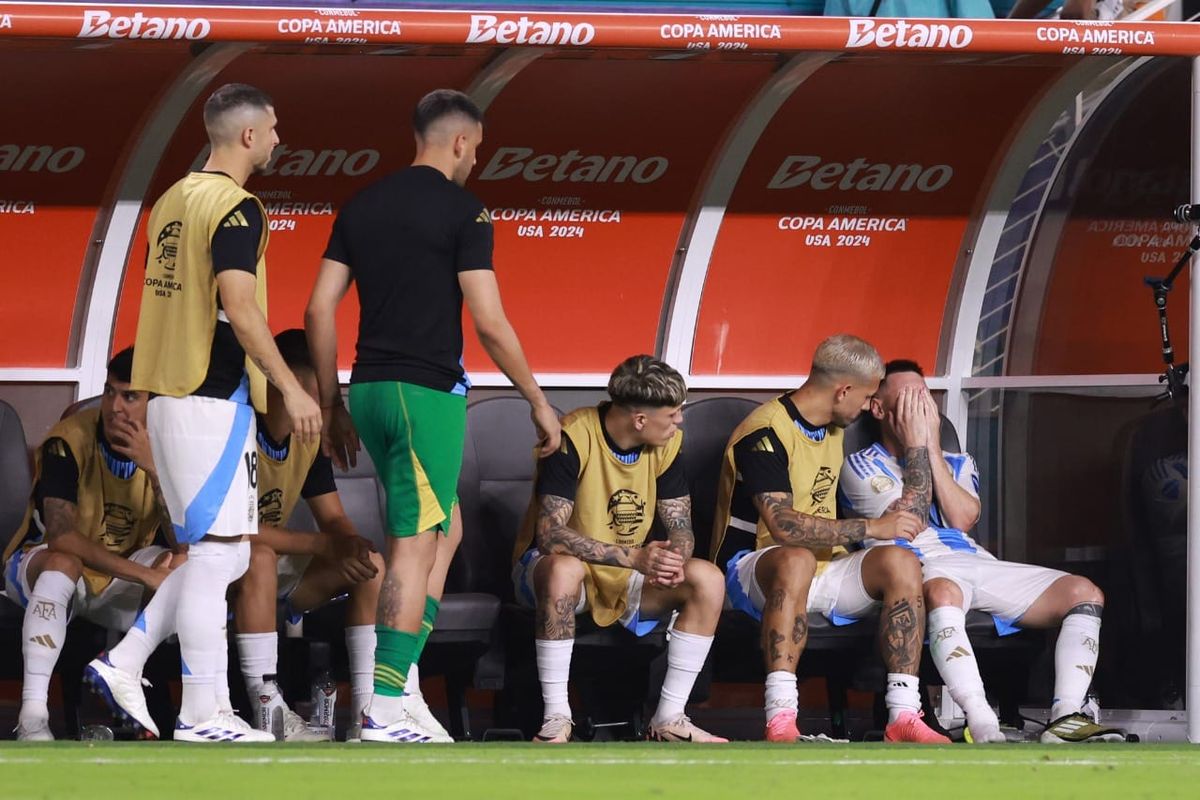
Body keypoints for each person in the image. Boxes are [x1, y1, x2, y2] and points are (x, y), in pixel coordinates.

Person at [306, 88, 560, 743]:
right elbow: (489, 321)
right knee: (414, 544)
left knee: (445, 530)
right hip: (424, 396)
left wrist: (332, 403)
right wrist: (537, 400)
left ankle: (404, 685)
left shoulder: (363, 203)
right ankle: (383, 706)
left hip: (369, 390)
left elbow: (318, 309)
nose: (476, 160)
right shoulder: (465, 210)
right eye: (477, 149)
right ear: (461, 141)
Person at [85, 83, 321, 743]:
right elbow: (239, 308)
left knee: (228, 558)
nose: (278, 139)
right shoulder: (237, 207)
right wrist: (292, 388)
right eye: (273, 128)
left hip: (178, 395)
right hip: (206, 398)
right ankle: (197, 710)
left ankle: (151, 672)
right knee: (215, 558)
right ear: (247, 136)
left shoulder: (172, 198)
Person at [839, 359, 1123, 744]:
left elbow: (962, 518)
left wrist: (930, 448)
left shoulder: (958, 461)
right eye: (908, 397)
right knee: (943, 592)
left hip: (974, 561)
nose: (920, 407)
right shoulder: (860, 465)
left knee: (1084, 592)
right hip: (913, 566)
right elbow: (911, 519)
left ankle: (1067, 715)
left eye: (925, 398)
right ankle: (980, 717)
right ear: (878, 408)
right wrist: (916, 444)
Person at [713, 334, 947, 744]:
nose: (867, 408)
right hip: (755, 568)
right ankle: (781, 717)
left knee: (902, 561)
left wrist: (918, 444)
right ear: (843, 391)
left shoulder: (834, 427)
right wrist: (872, 527)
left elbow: (913, 511)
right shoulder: (764, 431)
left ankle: (903, 715)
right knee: (796, 558)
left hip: (826, 563)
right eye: (866, 397)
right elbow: (783, 527)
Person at [511, 356, 726, 744]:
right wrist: (635, 558)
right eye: (672, 414)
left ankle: (670, 718)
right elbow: (550, 536)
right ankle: (556, 717)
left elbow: (680, 524)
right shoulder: (573, 435)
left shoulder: (666, 444)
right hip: (556, 575)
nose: (679, 422)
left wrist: (675, 558)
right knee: (563, 568)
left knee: (707, 578)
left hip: (626, 574)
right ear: (640, 419)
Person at [230, 329, 398, 741]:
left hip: (277, 570)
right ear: (279, 382)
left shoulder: (307, 439)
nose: (319, 401)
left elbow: (333, 518)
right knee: (259, 557)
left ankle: (366, 713)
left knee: (371, 566)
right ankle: (268, 708)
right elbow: (234, 528)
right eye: (312, 388)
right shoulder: (236, 427)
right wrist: (322, 544)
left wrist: (349, 544)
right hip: (225, 567)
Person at [2, 349, 178, 740]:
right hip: (43, 565)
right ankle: (33, 715)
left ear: (155, 403)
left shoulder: (168, 445)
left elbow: (184, 540)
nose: (114, 407)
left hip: (119, 572)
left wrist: (154, 470)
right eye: (110, 392)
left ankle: (127, 677)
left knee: (182, 565)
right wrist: (143, 575)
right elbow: (61, 536)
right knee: (62, 562)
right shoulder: (68, 440)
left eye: (130, 396)